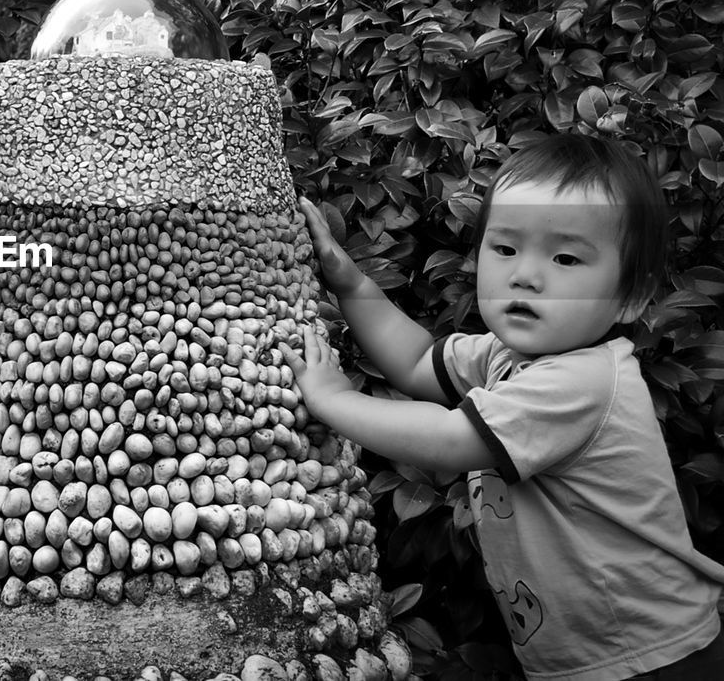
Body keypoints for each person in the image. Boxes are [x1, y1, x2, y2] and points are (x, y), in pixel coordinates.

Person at [281, 133, 724, 680]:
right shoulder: (509, 357)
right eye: (506, 248)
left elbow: (451, 438)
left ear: (631, 294)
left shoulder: (583, 381)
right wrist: (350, 281)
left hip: (653, 655)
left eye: (564, 257)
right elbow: (419, 360)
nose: (524, 274)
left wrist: (334, 399)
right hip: (589, 656)